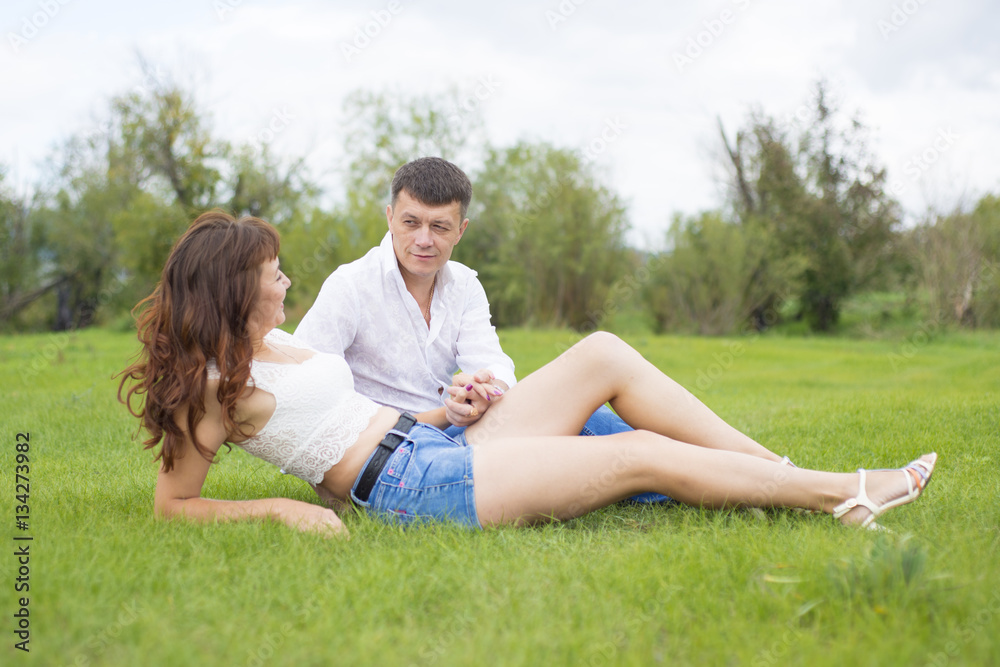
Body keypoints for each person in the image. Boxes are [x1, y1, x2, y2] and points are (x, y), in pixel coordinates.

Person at [118, 211, 937, 538]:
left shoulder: (275, 341)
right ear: (236, 286)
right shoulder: (211, 387)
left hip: (430, 443)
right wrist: (284, 511)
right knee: (632, 453)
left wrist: (444, 414)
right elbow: (173, 504)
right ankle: (844, 492)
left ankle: (778, 471)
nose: (285, 280)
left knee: (603, 351)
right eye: (273, 273)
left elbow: (342, 420)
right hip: (411, 489)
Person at [293, 157, 666, 503]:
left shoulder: (464, 285)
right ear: (390, 218)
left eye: (440, 227)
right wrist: (328, 482)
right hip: (397, 456)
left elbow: (492, 363)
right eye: (411, 223)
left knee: (582, 411)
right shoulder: (350, 286)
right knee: (580, 429)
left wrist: (483, 390)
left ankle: (682, 466)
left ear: (461, 230)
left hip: (456, 433)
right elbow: (303, 386)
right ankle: (678, 471)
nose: (424, 239)